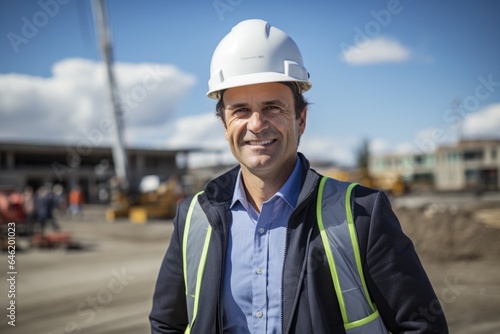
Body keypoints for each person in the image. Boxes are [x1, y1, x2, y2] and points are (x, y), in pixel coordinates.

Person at [150, 19, 448, 333]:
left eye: (272, 107)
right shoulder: (194, 216)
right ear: (224, 125)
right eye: (240, 110)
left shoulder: (362, 215)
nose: (256, 124)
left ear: (301, 119)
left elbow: (422, 327)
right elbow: (167, 323)